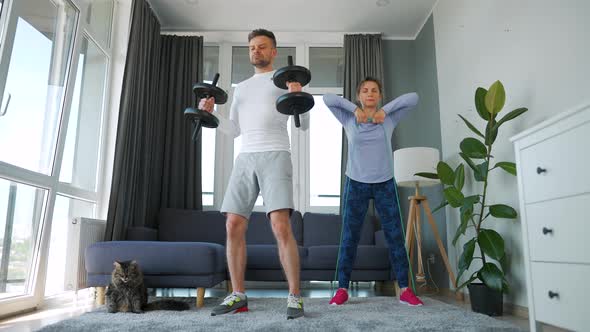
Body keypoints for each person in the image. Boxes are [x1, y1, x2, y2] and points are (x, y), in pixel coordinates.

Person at [199, 29, 309, 320]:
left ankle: (295, 297)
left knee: (280, 225)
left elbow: (303, 125)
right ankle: (238, 295)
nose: (255, 52)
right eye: (251, 48)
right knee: (233, 223)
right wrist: (211, 115)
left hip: (276, 154)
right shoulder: (242, 87)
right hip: (245, 157)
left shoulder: (284, 82)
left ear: (273, 52)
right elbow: (233, 130)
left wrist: (297, 95)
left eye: (261, 47)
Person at [323, 77, 424, 307]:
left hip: (384, 183)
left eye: (374, 91)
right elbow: (328, 99)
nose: (370, 94)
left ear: (379, 96)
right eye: (365, 91)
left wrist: (384, 111)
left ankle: (405, 290)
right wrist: (354, 109)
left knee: (395, 237)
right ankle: (342, 289)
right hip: (355, 183)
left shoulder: (388, 119)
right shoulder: (348, 117)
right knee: (349, 238)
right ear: (359, 95)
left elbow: (413, 98)